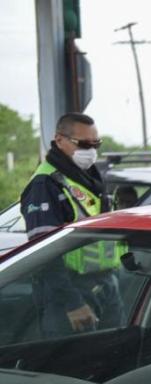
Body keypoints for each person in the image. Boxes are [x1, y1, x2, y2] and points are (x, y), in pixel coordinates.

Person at [20, 112, 124, 336]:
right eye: (84, 144)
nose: (91, 150)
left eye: (95, 143)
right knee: (75, 365)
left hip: (105, 284)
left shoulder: (88, 179)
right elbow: (44, 253)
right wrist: (72, 303)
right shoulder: (46, 184)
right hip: (69, 295)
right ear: (59, 140)